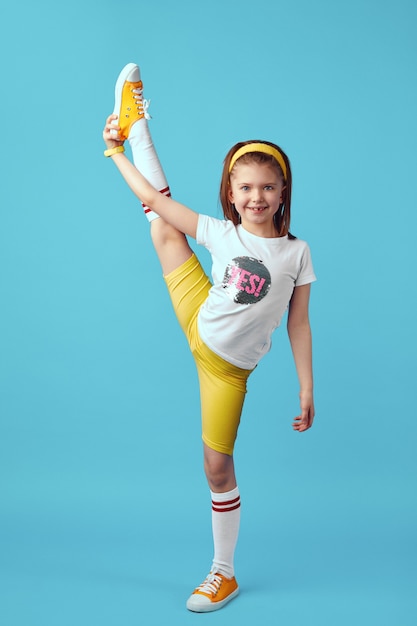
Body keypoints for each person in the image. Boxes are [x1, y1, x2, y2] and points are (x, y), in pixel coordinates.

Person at [102, 63, 316, 613]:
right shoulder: (224, 233)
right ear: (231, 191)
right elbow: (157, 199)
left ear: (283, 190)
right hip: (198, 315)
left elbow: (297, 321)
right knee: (161, 223)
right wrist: (119, 151)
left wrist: (306, 386)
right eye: (245, 187)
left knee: (216, 468)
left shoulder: (296, 253)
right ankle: (139, 127)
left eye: (267, 187)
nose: (256, 197)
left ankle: (224, 572)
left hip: (225, 368)